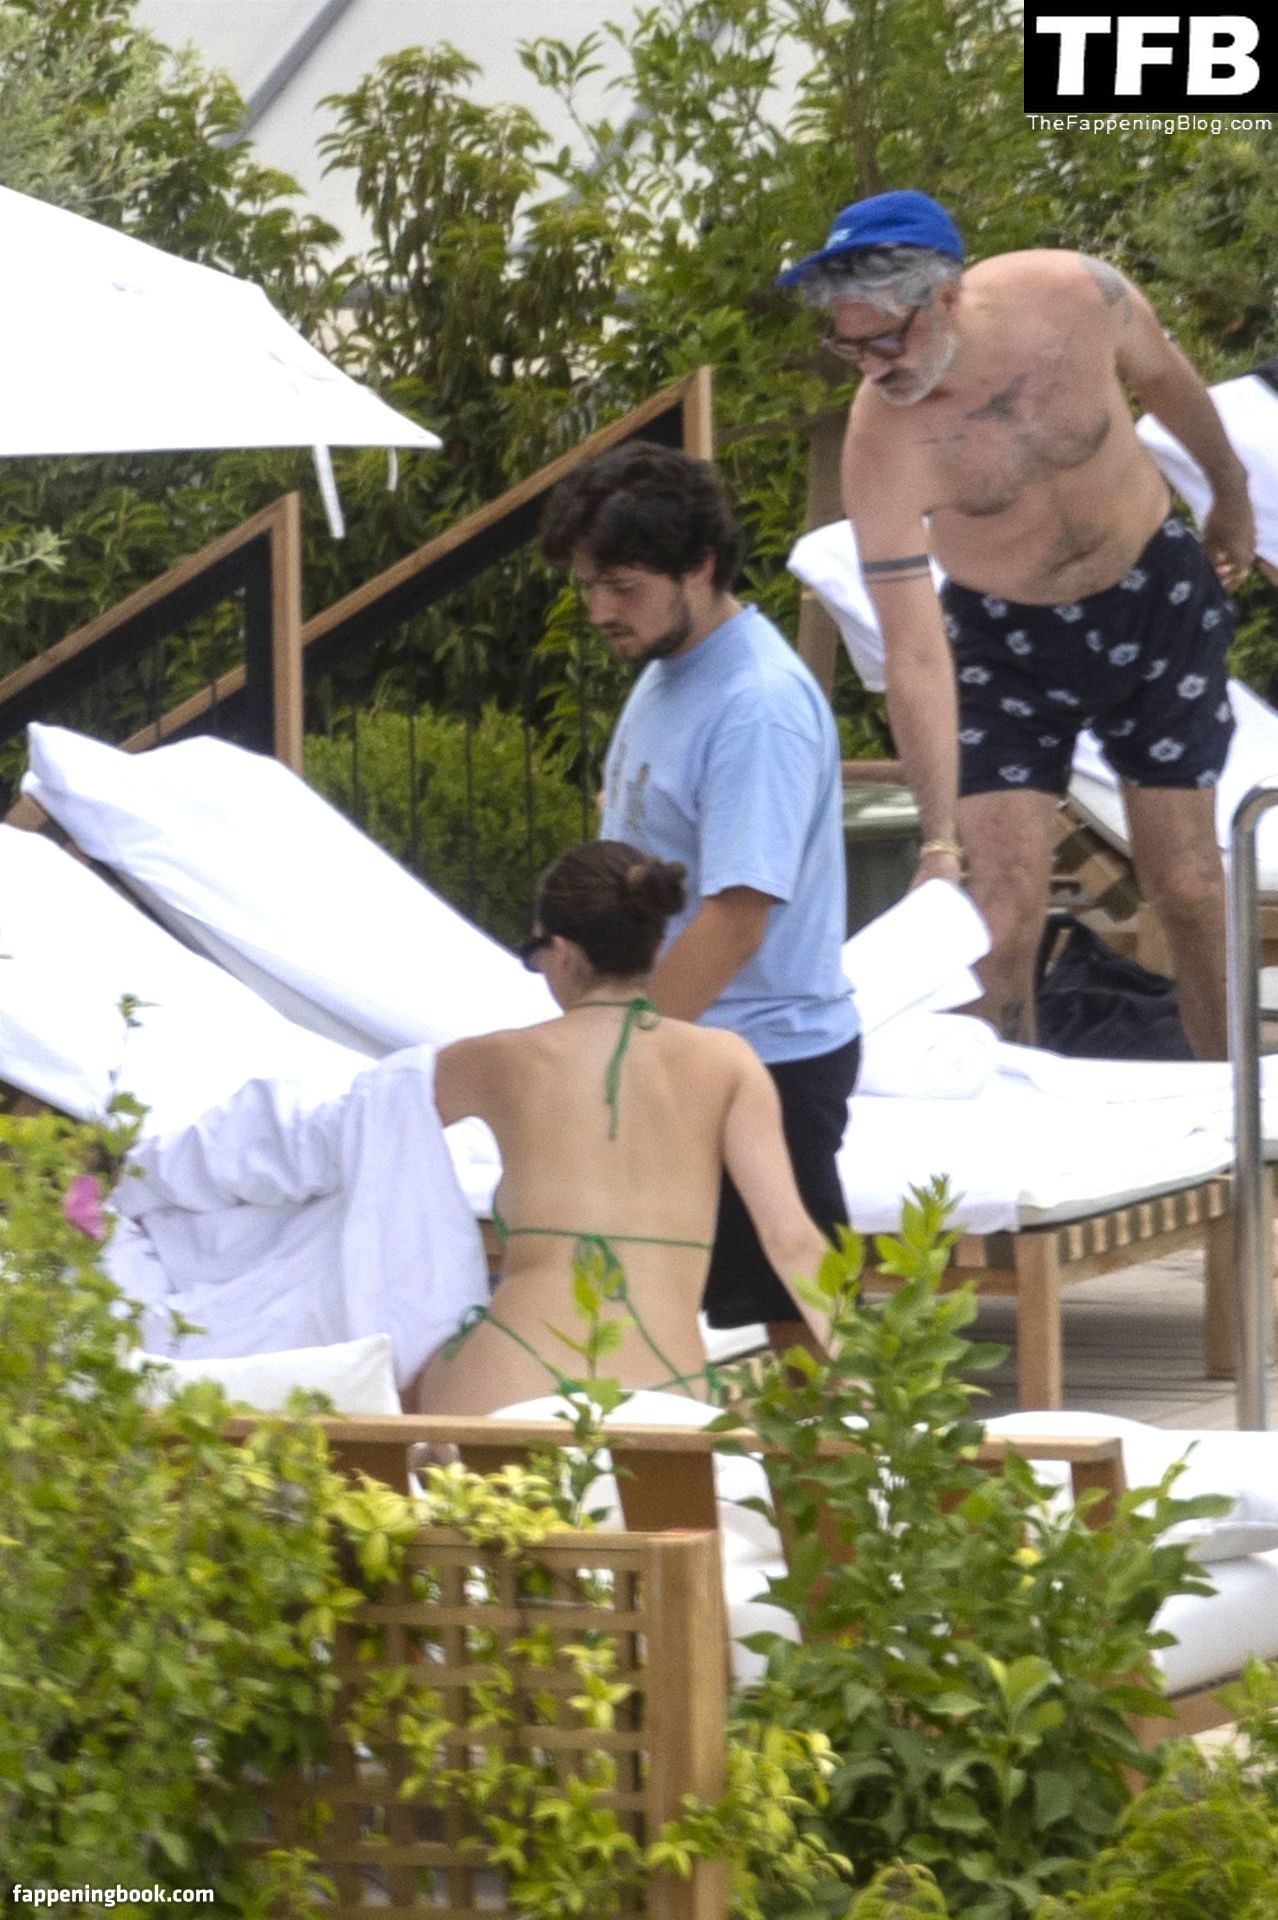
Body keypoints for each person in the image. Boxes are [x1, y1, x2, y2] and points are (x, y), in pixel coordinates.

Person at [779, 188, 1256, 1058]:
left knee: (1187, 884)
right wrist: (937, 840)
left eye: (886, 338)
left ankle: (1238, 1107)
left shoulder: (1077, 296)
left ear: (946, 296)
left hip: (1153, 596)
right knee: (998, 918)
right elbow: (914, 653)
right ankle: (1020, 1117)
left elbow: (1167, 382)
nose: (873, 368)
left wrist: (1230, 494)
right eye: (849, 346)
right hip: (1005, 640)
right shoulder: (882, 446)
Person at [539, 442, 860, 1356]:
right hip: (685, 1040)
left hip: (761, 1054)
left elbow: (736, 919)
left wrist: (619, 1052)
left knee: (803, 1318)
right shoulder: (668, 668)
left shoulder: (756, 705)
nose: (600, 611)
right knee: (642, 1311)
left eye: (623, 587)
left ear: (701, 566)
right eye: (588, 585)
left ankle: (854, 1456)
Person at [412, 841, 832, 1415]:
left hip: (509, 1377)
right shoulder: (729, 1062)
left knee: (404, 1384)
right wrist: (870, 1385)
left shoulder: (495, 1060)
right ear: (656, 947)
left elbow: (362, 1135)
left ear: (561, 952)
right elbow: (792, 1241)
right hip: (666, 1391)